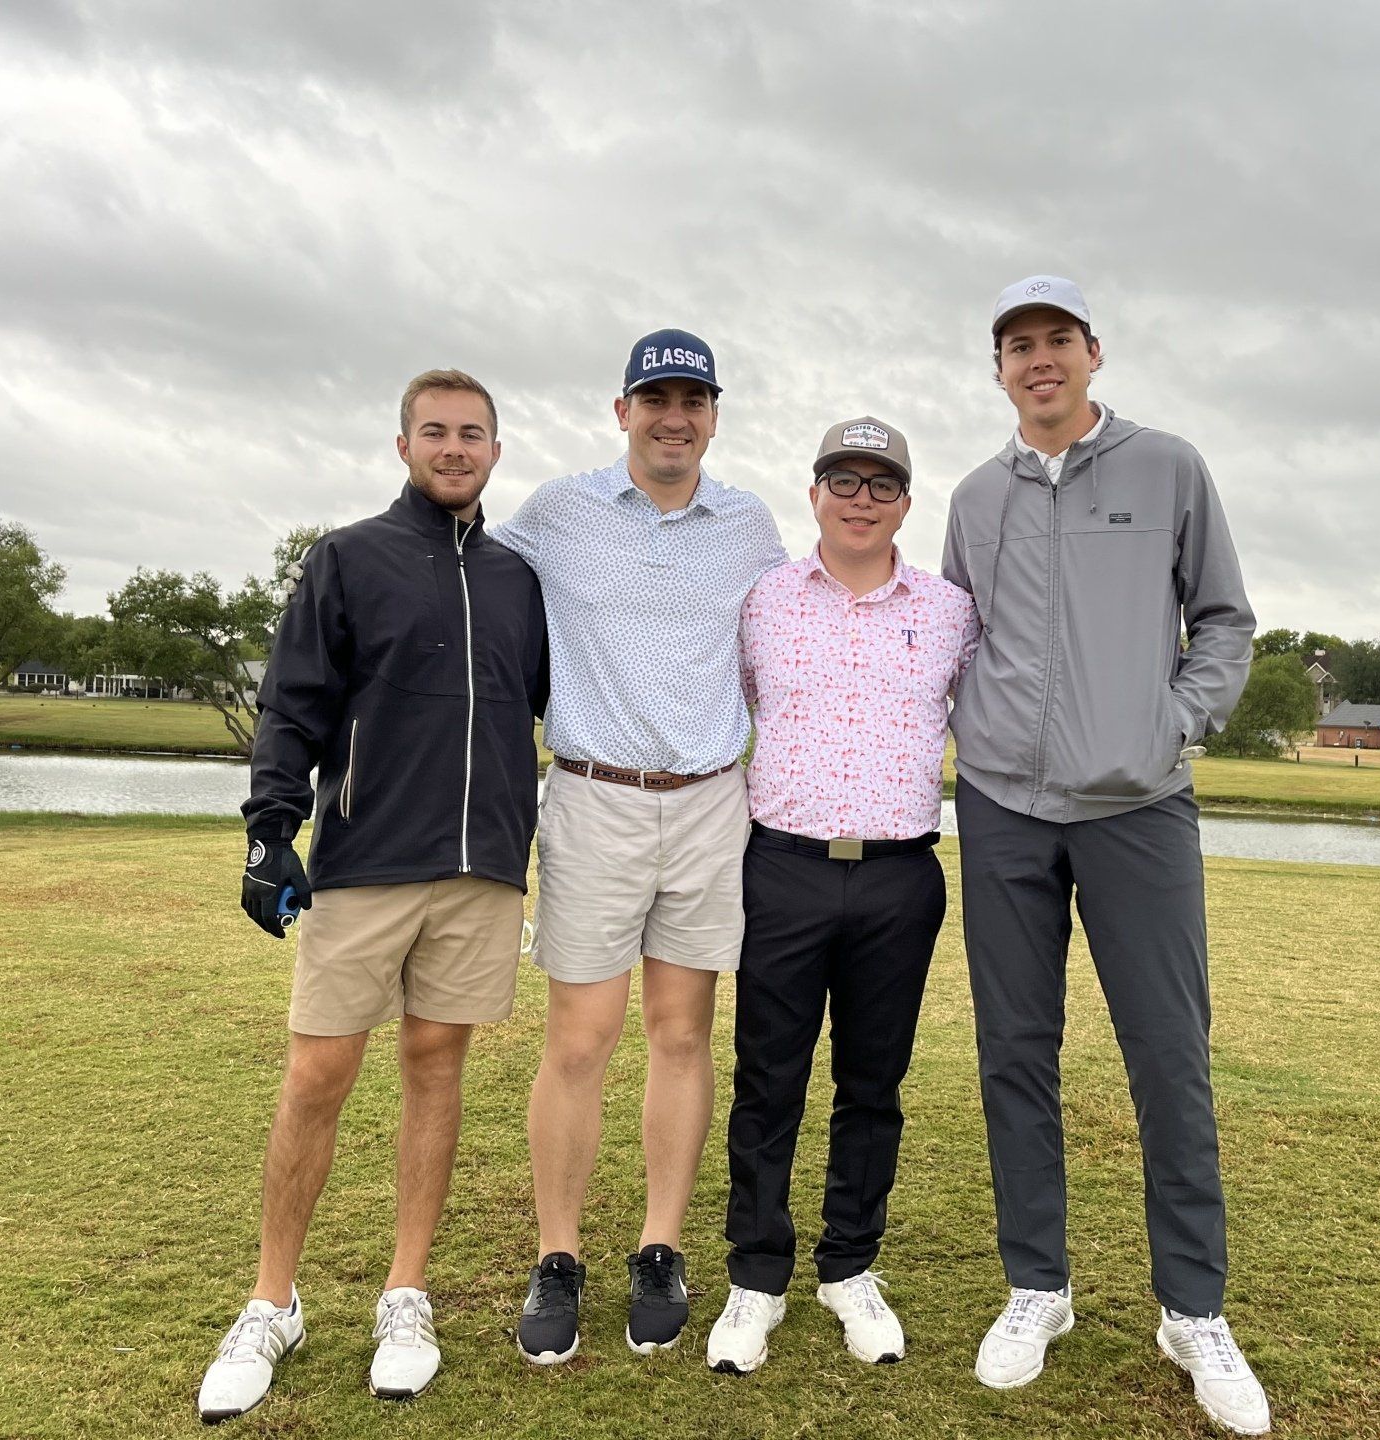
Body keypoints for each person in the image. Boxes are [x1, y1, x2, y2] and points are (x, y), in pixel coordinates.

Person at [940, 276, 1270, 1434]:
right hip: (1003, 808)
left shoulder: (1168, 468)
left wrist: (1171, 721)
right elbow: (958, 632)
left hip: (1139, 806)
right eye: (1017, 346)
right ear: (999, 371)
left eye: (1058, 341)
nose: (1040, 361)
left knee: (1169, 1057)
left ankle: (1193, 1309)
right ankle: (1039, 1287)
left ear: (1093, 354)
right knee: (1015, 1053)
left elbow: (1224, 618)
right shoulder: (977, 497)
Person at [196, 370, 547, 1422]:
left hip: (481, 870)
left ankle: (406, 1293)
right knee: (317, 1073)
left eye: (472, 434)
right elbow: (293, 701)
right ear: (403, 446)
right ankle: (272, 1301)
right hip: (363, 863)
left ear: (496, 449)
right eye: (434, 432)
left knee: (435, 1068)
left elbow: (536, 705)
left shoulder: (520, 579)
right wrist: (270, 829)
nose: (454, 448)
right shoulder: (347, 558)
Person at [492, 329, 787, 1363]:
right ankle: (559, 1254)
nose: (674, 417)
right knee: (579, 1039)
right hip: (592, 798)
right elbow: (471, 579)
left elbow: (784, 644)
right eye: (654, 398)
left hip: (711, 805)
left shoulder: (750, 526)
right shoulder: (559, 512)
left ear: (713, 414)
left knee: (680, 1035)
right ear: (622, 411)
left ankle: (659, 1246)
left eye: (693, 400)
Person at [705, 417, 978, 1375]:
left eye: (881, 484)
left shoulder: (950, 610)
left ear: (906, 500)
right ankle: (757, 1275)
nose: (861, 499)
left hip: (901, 874)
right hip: (782, 865)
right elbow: (732, 705)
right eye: (843, 480)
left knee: (873, 1082)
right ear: (813, 490)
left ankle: (849, 1266)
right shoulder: (764, 601)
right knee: (768, 1076)